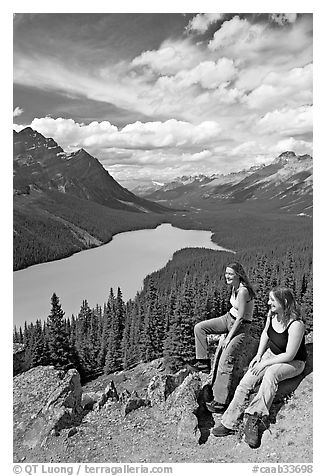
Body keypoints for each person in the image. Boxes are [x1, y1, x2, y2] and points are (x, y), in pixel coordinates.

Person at [212, 287, 307, 449]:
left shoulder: (296, 324)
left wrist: (264, 363)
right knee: (246, 381)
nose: (268, 302)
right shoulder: (272, 315)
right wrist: (259, 356)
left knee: (271, 374)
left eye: (272, 300)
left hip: (294, 362)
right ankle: (229, 423)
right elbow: (265, 333)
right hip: (272, 354)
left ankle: (254, 417)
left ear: (284, 302)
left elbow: (290, 355)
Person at [190, 261, 255, 413]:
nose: (227, 276)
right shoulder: (235, 287)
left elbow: (240, 318)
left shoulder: (244, 291)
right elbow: (234, 312)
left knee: (225, 361)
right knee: (199, 328)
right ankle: (203, 361)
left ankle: (220, 402)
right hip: (228, 318)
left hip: (240, 326)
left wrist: (227, 338)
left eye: (230, 274)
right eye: (226, 273)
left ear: (238, 275)